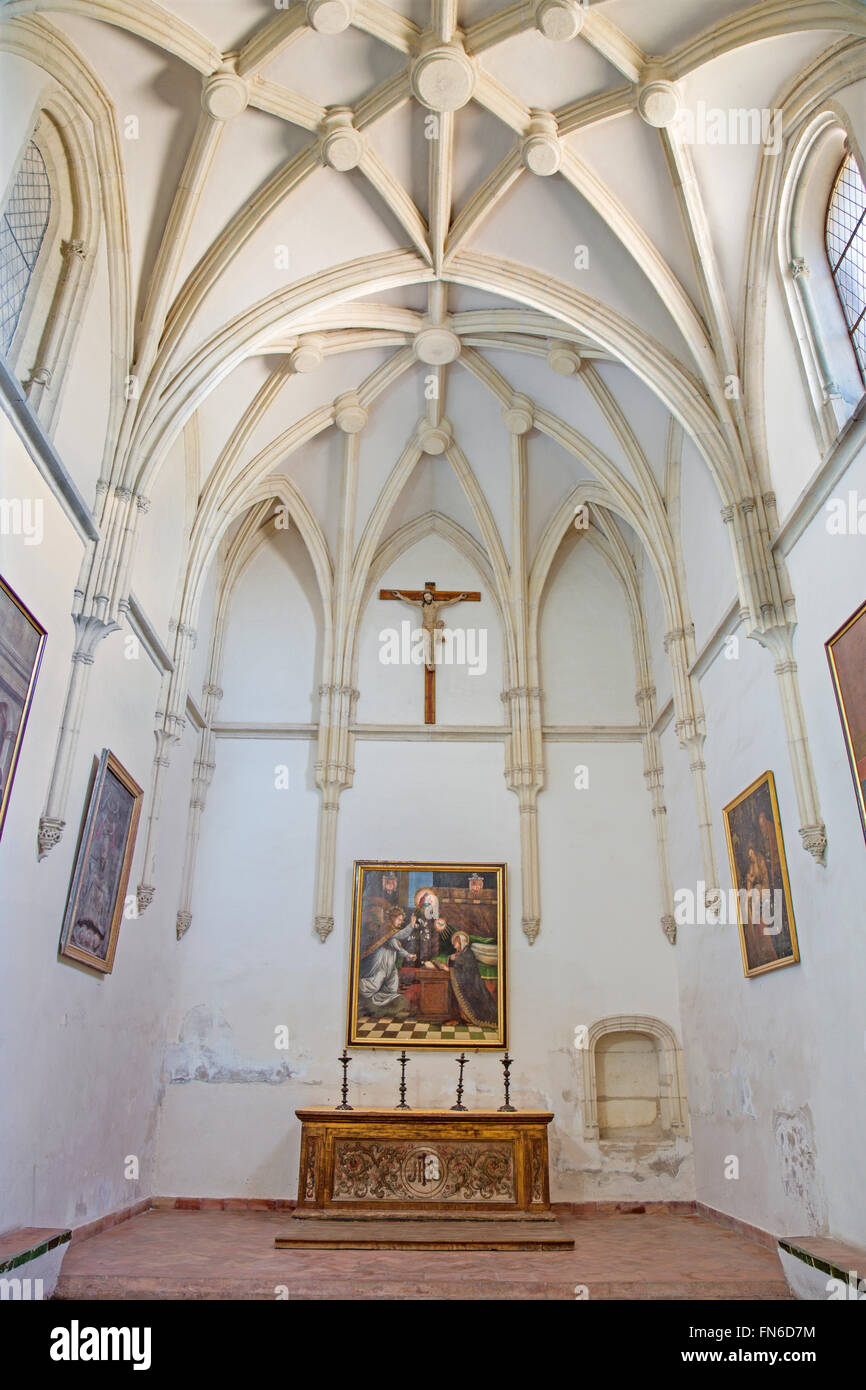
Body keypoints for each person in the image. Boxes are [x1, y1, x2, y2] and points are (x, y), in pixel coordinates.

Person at [424, 931, 497, 1027]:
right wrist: (448, 961)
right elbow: (456, 961)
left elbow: (460, 967)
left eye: (456, 943)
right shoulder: (462, 953)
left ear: (461, 942)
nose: (454, 945)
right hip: (466, 983)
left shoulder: (468, 954)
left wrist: (445, 968)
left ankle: (468, 1018)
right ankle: (463, 1018)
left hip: (472, 986)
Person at [358, 907, 417, 1016]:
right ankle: (359, 987)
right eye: (399, 919)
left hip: (390, 963)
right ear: (393, 918)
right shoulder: (388, 930)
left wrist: (408, 955)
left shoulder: (392, 933)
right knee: (375, 983)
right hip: (381, 962)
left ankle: (383, 1006)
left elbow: (398, 949)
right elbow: (400, 936)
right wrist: (411, 925)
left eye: (401, 920)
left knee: (393, 983)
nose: (400, 922)